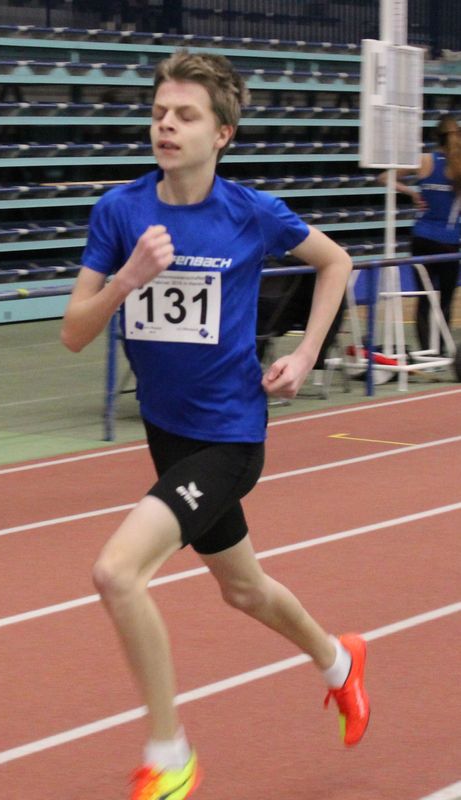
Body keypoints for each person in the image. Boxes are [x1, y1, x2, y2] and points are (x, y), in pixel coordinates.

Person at [61, 50, 369, 800]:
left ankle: (170, 753)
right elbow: (73, 333)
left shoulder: (250, 213)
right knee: (244, 589)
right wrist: (128, 278)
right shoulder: (120, 212)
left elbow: (336, 263)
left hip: (230, 436)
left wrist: (305, 353)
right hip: (165, 433)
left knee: (116, 572)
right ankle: (339, 661)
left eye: (185, 115)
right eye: (159, 112)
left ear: (222, 133)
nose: (165, 125)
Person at [379, 114, 461, 352]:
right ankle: (440, 350)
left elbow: (384, 177)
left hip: (421, 238)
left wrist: (412, 193)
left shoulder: (424, 160)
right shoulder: (457, 167)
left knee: (424, 296)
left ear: (436, 137)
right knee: (445, 299)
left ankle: (427, 350)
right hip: (448, 241)